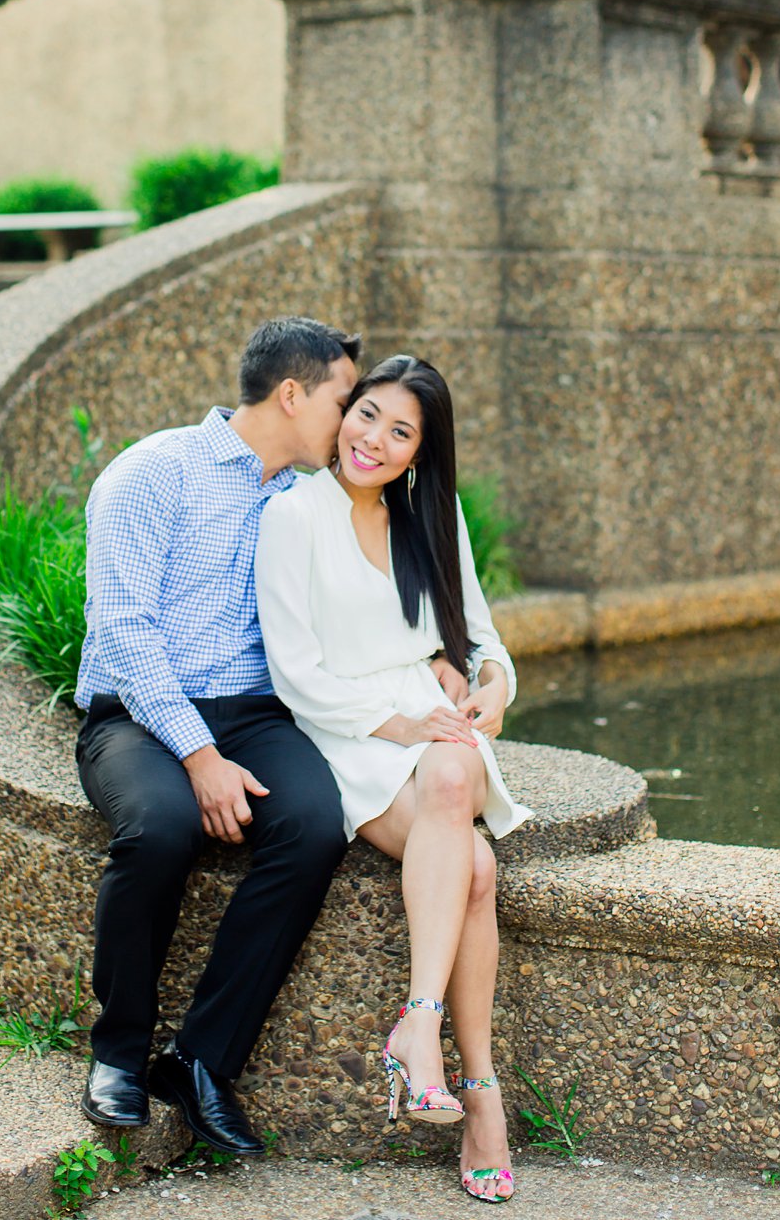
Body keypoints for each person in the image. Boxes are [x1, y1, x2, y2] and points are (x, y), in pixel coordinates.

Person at [74, 316, 362, 1154]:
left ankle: (202, 1058)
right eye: (345, 400)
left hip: (256, 714)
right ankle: (120, 1050)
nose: (352, 423)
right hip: (137, 712)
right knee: (160, 827)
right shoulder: (151, 473)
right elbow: (124, 635)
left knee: (315, 823)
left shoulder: (308, 499)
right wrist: (200, 756)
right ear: (293, 393)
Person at [255, 353, 529, 1205]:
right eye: (366, 413)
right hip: (349, 731)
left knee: (452, 772)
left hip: (435, 725)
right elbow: (294, 671)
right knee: (474, 867)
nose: (373, 438)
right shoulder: (293, 515)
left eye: (400, 430)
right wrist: (400, 724)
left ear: (421, 451)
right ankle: (478, 1091)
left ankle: (422, 1029)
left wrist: (491, 689)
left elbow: (484, 643)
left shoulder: (432, 514)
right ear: (346, 412)